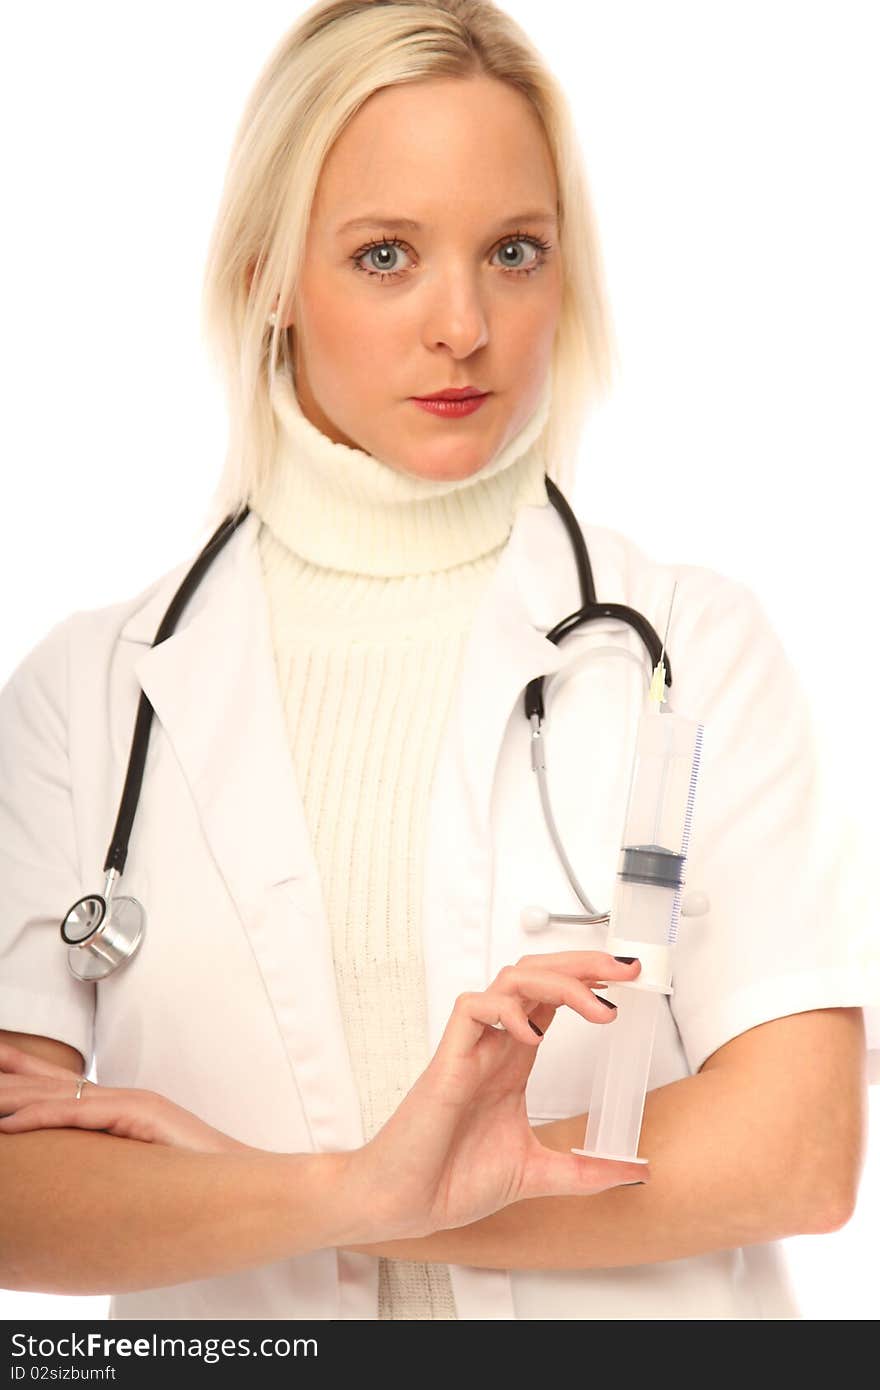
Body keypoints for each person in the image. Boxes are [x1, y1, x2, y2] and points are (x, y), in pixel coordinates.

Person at [0, 0, 876, 1322]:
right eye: (386, 255)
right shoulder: (89, 695)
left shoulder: (691, 646)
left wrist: (333, 1192)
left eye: (512, 251)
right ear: (268, 276)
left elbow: (799, 1152)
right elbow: (20, 1192)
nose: (462, 324)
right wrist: (360, 1191)